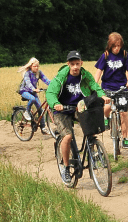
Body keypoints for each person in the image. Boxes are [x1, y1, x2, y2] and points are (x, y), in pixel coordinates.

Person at [46, 51, 109, 183]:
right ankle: (66, 168)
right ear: (68, 64)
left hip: (78, 107)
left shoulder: (85, 75)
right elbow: (51, 93)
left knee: (92, 128)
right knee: (68, 136)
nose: (75, 67)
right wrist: (56, 104)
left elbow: (94, 86)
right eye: (72, 64)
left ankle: (93, 154)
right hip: (62, 110)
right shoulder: (60, 77)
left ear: (81, 63)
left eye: (77, 64)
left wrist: (102, 95)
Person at [94, 32, 128, 149]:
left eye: (119, 45)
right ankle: (105, 118)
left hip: (122, 87)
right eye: (114, 46)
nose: (117, 48)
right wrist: (94, 85)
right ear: (110, 45)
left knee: (123, 112)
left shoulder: (125, 55)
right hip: (107, 87)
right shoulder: (105, 55)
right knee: (106, 107)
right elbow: (99, 71)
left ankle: (125, 138)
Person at [17, 57, 51, 130]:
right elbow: (28, 83)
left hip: (33, 92)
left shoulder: (39, 73)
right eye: (34, 66)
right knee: (32, 99)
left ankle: (43, 127)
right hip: (24, 91)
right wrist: (34, 89)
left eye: (37, 66)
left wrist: (54, 85)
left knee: (40, 109)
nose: (36, 67)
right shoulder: (27, 73)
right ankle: (27, 111)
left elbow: (46, 80)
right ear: (30, 66)